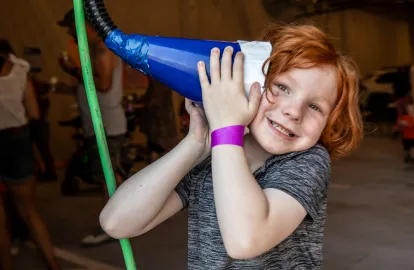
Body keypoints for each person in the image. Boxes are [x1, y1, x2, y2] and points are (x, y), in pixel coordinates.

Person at [99, 24, 363, 269]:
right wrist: (196, 144)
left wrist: (226, 131)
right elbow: (117, 222)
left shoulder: (307, 161)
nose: (294, 111)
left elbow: (245, 241)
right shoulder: (214, 155)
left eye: (315, 106)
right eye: (281, 87)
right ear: (246, 84)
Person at [57, 8, 127, 247]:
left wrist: (73, 71)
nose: (71, 35)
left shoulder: (102, 49)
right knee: (109, 176)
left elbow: (104, 85)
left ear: (86, 24)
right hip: (101, 125)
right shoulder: (97, 49)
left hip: (105, 125)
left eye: (72, 28)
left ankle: (115, 225)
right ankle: (121, 220)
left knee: (109, 178)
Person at [0, 39, 61, 270]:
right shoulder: (20, 71)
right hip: (17, 141)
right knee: (29, 212)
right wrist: (38, 154)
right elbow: (34, 113)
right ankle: (53, 265)